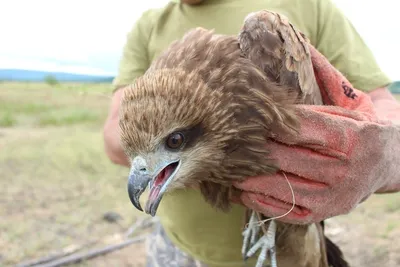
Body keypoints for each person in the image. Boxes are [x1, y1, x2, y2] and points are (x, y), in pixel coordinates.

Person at [103, 0, 400, 266]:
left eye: (175, 142)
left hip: (283, 247)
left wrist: (385, 158)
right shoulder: (150, 25)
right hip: (176, 249)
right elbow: (115, 142)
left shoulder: (299, 12)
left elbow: (380, 104)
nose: (140, 169)